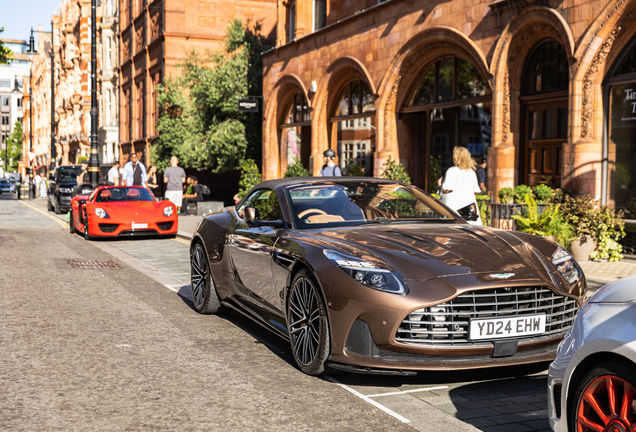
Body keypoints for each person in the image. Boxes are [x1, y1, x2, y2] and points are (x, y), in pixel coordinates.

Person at [441, 146, 482, 225]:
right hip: (469, 208)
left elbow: (446, 189)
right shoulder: (471, 172)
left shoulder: (451, 171)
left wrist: (440, 185)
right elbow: (475, 193)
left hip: (455, 207)